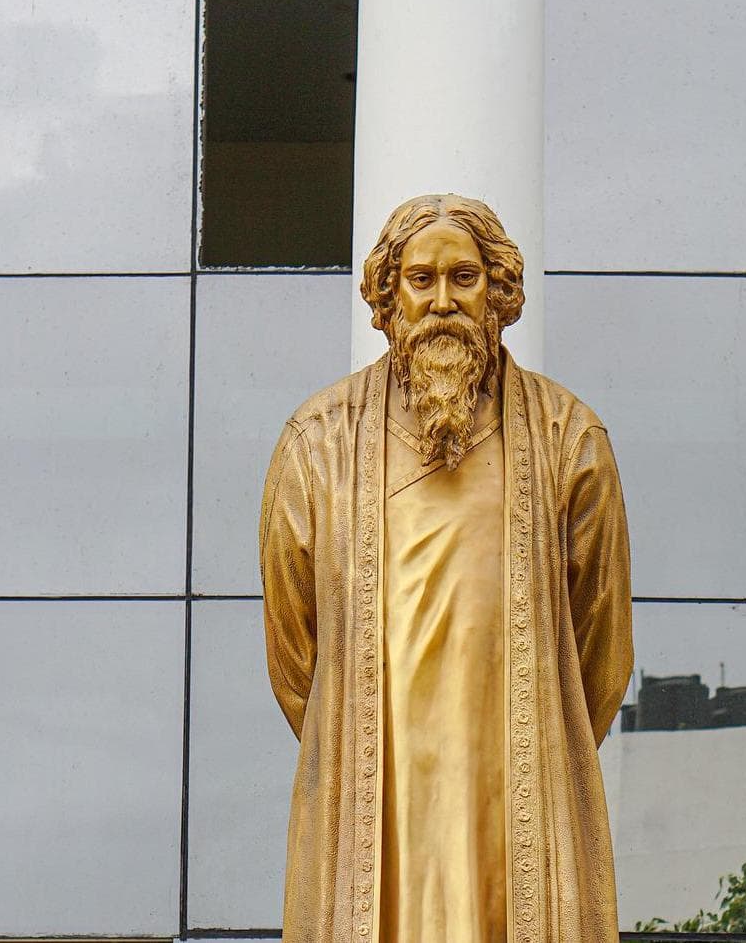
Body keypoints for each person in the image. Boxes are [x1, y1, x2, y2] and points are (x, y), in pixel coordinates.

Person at [260, 193, 633, 943]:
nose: (441, 302)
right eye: (420, 279)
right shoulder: (317, 442)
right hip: (374, 808)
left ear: (498, 293)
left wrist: (535, 744)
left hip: (516, 804)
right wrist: (362, 732)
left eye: (463, 278)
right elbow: (298, 661)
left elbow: (600, 654)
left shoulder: (571, 440)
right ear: (387, 296)